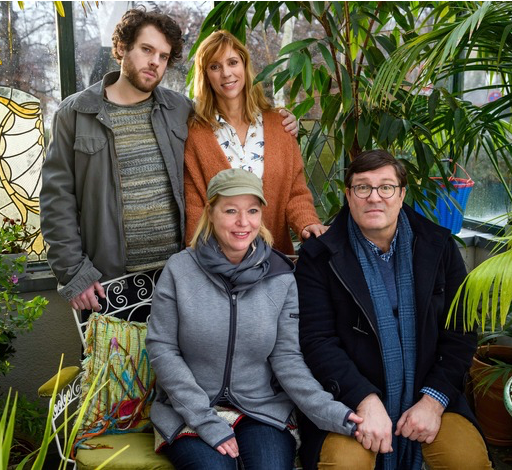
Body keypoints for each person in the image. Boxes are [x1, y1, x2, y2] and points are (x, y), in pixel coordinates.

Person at [40, 9, 297, 313]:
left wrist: (281, 122)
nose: (155, 62)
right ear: (121, 47)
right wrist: (74, 273)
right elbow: (57, 201)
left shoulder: (181, 110)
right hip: (109, 284)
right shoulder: (75, 113)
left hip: (182, 279)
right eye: (147, 50)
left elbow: (232, 125)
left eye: (163, 56)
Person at [146, 168, 362, 470]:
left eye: (252, 210)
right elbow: (162, 349)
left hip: (261, 409)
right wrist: (205, 420)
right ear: (210, 212)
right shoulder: (180, 270)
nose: (243, 222)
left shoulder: (280, 276)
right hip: (189, 411)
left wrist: (335, 413)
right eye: (230, 210)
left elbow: (287, 358)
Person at [294, 150, 492, 470]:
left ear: (401, 194)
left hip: (429, 390)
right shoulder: (319, 256)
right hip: (348, 399)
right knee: (345, 465)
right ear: (348, 195)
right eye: (363, 187)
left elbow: (461, 331)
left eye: (386, 187)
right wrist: (365, 399)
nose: (374, 197)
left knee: (466, 461)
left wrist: (433, 400)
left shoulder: (438, 246)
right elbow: (317, 341)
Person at [184, 30, 326, 256]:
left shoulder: (280, 125)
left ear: (245, 66)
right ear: (206, 75)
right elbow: (195, 207)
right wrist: (198, 261)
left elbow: (295, 192)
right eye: (215, 66)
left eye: (232, 62)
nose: (226, 73)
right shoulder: (196, 134)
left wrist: (308, 223)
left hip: (275, 259)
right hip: (220, 263)